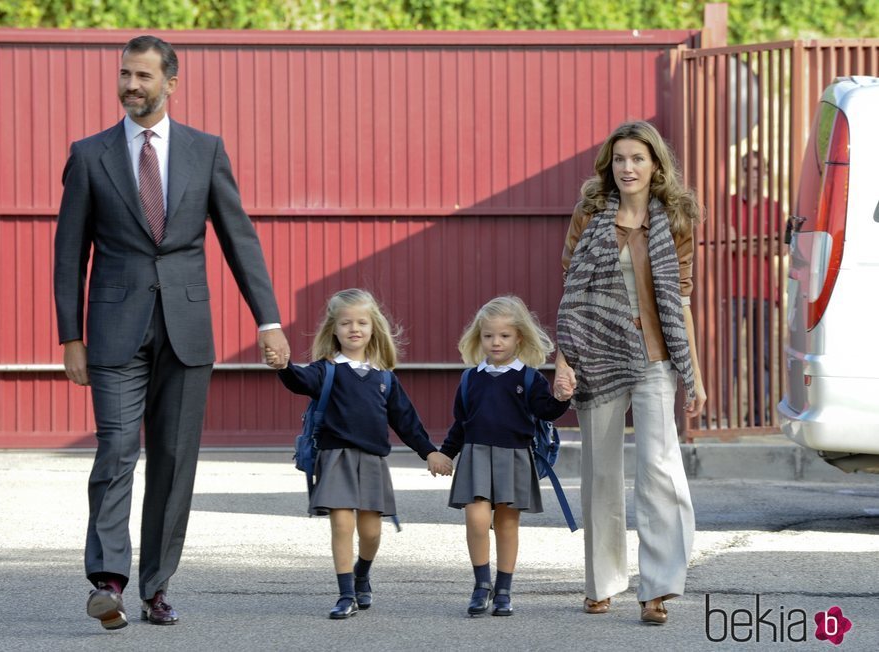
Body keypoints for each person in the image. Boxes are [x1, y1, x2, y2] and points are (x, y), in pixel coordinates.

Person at [54, 35, 290, 630]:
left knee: (174, 459)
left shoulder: (205, 151)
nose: (131, 85)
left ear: (170, 83)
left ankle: (157, 586)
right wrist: (70, 337)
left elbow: (240, 240)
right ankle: (107, 580)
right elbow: (68, 256)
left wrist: (269, 321)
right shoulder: (89, 155)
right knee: (115, 449)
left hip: (187, 330)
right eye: (124, 74)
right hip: (112, 331)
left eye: (143, 76)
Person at [554, 121, 706, 625]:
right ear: (609, 166)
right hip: (596, 355)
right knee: (600, 472)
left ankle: (657, 587)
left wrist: (696, 375)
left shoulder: (676, 220)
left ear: (655, 165)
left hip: (654, 357)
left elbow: (681, 299)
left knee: (659, 470)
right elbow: (571, 293)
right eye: (619, 159)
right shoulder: (590, 214)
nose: (628, 168)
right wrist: (564, 358)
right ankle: (602, 582)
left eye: (638, 158)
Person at [266, 288, 453, 619]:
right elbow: (298, 380)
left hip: (372, 462)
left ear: (373, 328)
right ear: (334, 330)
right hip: (335, 457)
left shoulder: (384, 377)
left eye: (362, 322)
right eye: (346, 323)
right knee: (341, 525)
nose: (354, 328)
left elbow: (406, 421)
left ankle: (362, 573)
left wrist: (430, 452)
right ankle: (345, 594)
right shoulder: (326, 370)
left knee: (371, 532)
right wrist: (283, 366)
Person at [439, 296, 572, 617]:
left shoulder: (529, 378)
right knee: (476, 518)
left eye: (504, 336)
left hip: (514, 457)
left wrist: (562, 398)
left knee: (508, 525)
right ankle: (481, 584)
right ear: (479, 337)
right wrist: (445, 453)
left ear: (519, 338)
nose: (495, 342)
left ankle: (503, 590)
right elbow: (461, 422)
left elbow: (547, 411)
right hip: (475, 456)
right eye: (488, 336)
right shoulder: (471, 378)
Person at [729, 150, 778, 426]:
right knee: (732, 354)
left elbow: (780, 247)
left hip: (764, 292)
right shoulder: (730, 204)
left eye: (759, 169)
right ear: (742, 173)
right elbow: (727, 243)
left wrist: (742, 243)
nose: (754, 175)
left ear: (767, 173)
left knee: (763, 356)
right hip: (734, 290)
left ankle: (759, 416)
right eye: (749, 169)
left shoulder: (774, 206)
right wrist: (759, 245)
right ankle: (725, 415)